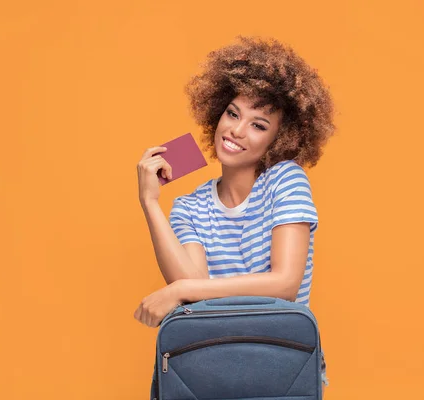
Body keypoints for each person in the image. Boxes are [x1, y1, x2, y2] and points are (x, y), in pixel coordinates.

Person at [134, 35, 335, 389]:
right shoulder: (189, 206)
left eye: (258, 125)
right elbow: (190, 283)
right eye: (232, 113)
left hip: (281, 365)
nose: (236, 130)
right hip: (209, 367)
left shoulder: (285, 180)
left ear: (279, 139)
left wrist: (182, 289)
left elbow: (285, 285)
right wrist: (150, 203)